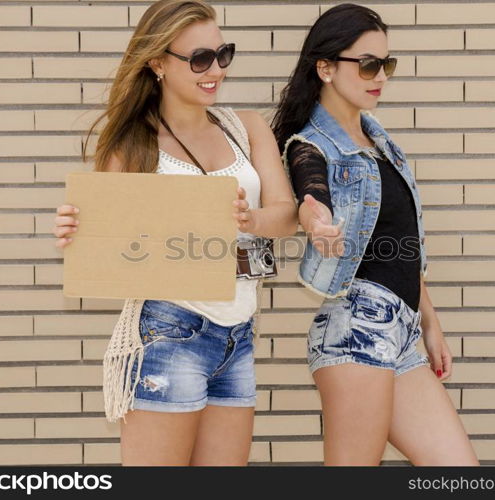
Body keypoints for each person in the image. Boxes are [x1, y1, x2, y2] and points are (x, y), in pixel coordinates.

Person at [53, 0, 296, 465]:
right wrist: (75, 229)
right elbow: (108, 242)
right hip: (169, 333)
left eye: (222, 54)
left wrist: (252, 221)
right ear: (158, 63)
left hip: (238, 335)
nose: (215, 70)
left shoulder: (245, 128)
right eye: (199, 59)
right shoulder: (134, 145)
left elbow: (286, 214)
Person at [272, 3, 479, 466]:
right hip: (356, 331)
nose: (380, 75)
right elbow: (311, 189)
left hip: (401, 331)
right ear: (325, 67)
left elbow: (404, 243)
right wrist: (315, 219)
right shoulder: (311, 145)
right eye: (367, 63)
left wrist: (431, 323)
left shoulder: (378, 139)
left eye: (386, 63)